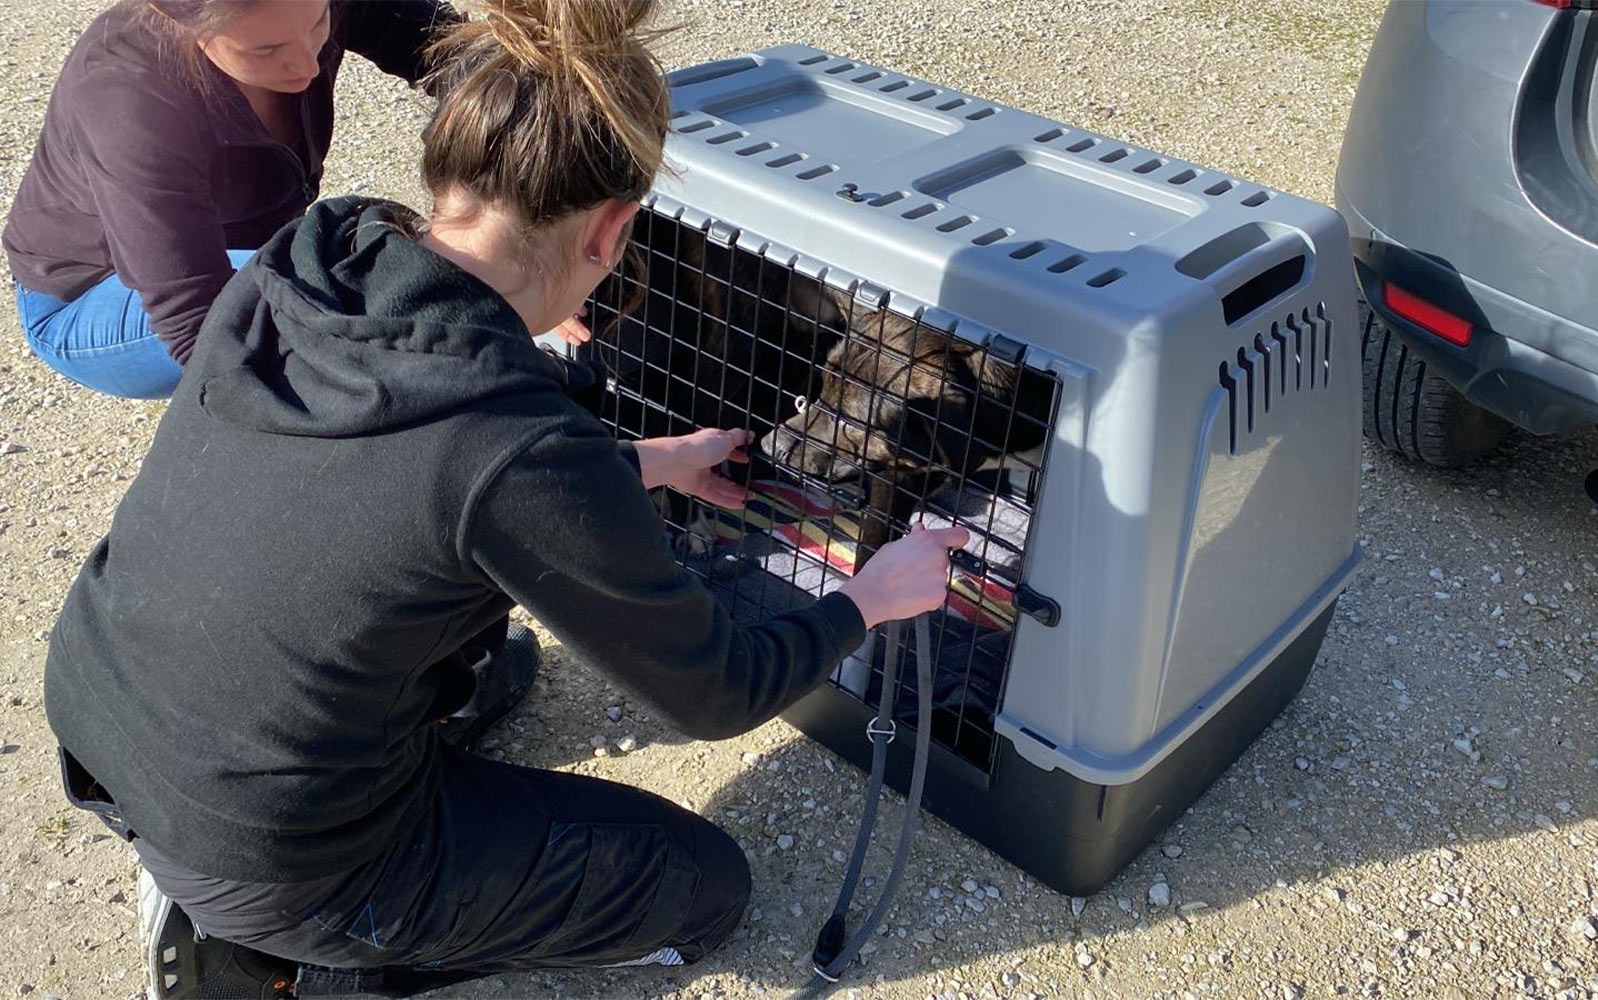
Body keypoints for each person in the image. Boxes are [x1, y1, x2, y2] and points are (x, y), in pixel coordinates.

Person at [43, 0, 968, 997]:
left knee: (499, 662)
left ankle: (259, 865)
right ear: (613, 230)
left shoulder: (317, 249)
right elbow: (716, 690)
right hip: (270, 849)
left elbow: (426, 476)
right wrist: (868, 597)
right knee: (706, 890)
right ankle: (291, 961)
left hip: (103, 710)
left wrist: (645, 462)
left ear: (446, 171)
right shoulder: (515, 447)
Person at [3, 0, 457, 399]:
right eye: (266, 50)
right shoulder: (126, 98)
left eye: (320, 24)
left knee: (384, 275)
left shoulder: (295, 14)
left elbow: (454, 48)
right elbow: (197, 326)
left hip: (234, 249)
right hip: (91, 296)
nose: (309, 63)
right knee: (347, 300)